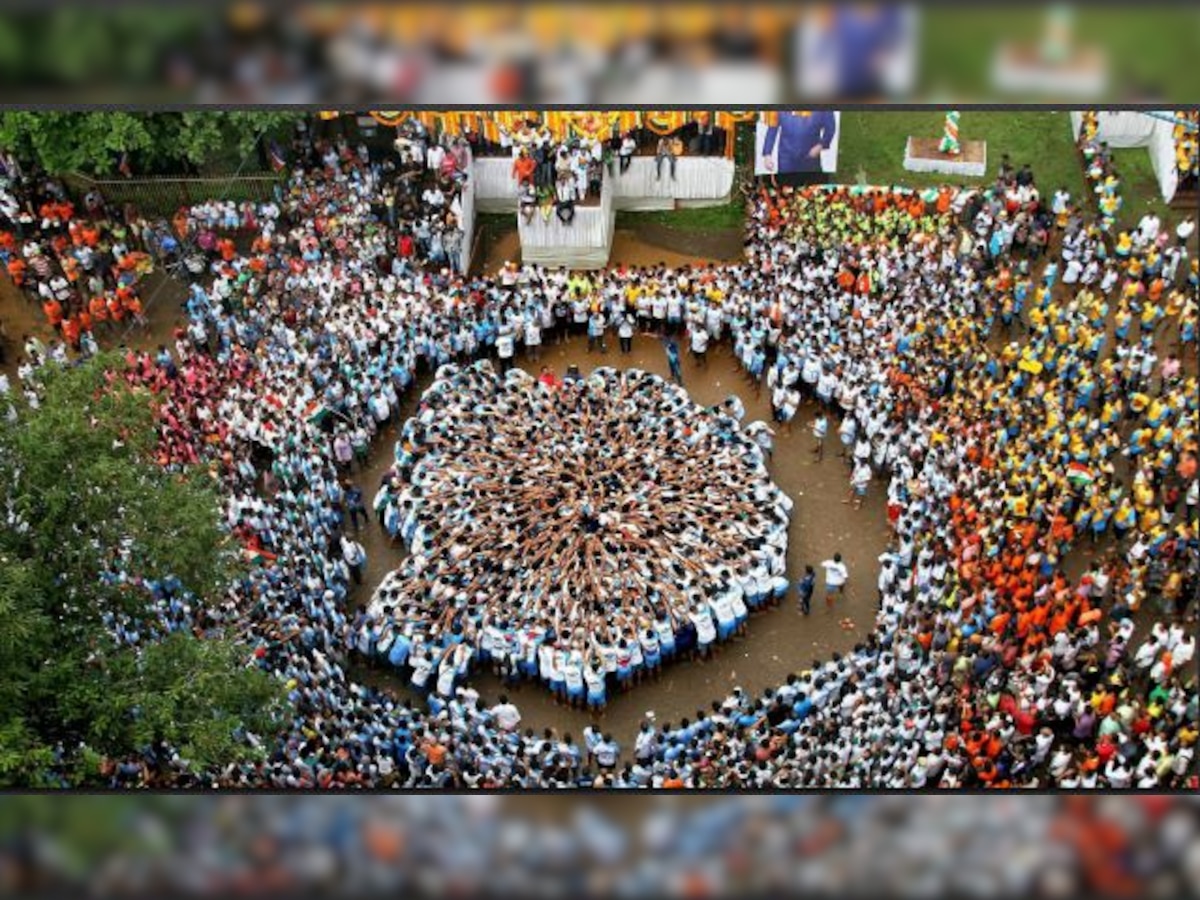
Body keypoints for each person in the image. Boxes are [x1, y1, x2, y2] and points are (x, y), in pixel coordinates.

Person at [761, 110, 837, 174]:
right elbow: (772, 130)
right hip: (786, 157)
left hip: (810, 156)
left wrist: (820, 146)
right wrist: (767, 154)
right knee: (785, 184)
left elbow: (830, 128)